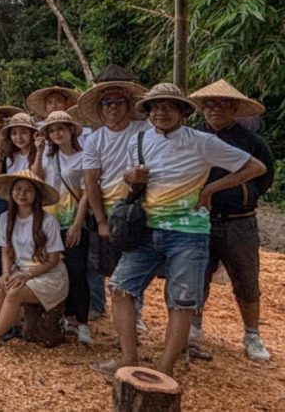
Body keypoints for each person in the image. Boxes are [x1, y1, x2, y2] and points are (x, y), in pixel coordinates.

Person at [92, 83, 266, 378]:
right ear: (148, 112)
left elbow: (255, 167)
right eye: (155, 107)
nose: (161, 112)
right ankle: (128, 358)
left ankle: (165, 369)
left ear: (183, 111)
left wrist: (209, 189)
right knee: (120, 288)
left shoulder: (202, 142)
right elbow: (134, 182)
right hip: (146, 229)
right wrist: (129, 176)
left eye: (169, 106)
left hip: (188, 233)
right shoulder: (139, 140)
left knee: (181, 302)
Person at [189, 80, 274, 361]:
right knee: (196, 275)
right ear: (202, 108)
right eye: (211, 103)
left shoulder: (252, 142)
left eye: (224, 104)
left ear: (235, 109)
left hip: (239, 220)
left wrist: (242, 195)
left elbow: (264, 178)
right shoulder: (191, 137)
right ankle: (193, 327)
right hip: (199, 219)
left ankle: (252, 334)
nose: (217, 109)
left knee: (246, 278)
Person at [79, 66, 149, 322]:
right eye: (107, 103)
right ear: (100, 108)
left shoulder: (143, 130)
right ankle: (102, 308)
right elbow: (91, 181)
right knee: (100, 263)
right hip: (109, 207)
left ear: (128, 105)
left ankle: (135, 313)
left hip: (139, 206)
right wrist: (100, 220)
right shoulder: (95, 140)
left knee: (136, 261)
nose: (113, 108)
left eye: (119, 102)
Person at [0, 170, 68, 354]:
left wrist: (27, 275)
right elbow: (6, 251)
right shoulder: (5, 218)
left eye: (28, 190)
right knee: (0, 288)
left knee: (14, 293)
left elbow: (53, 260)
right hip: (20, 270)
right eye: (18, 189)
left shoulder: (48, 221)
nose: (22, 194)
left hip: (49, 275)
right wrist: (6, 273)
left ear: (36, 195)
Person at [32, 111, 93, 344]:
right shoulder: (48, 157)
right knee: (55, 270)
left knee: (77, 272)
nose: (57, 134)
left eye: (60, 129)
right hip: (49, 221)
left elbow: (87, 192)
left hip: (72, 220)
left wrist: (78, 224)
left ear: (71, 130)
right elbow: (35, 179)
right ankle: (64, 318)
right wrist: (39, 151)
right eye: (52, 130)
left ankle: (82, 322)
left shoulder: (83, 156)